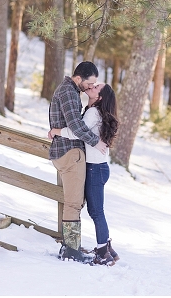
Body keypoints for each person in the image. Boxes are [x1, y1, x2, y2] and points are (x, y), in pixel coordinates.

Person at [51, 83, 120, 266]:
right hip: (98, 168)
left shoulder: (92, 113)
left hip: (95, 169)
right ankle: (106, 249)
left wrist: (55, 132)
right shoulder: (93, 111)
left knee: (96, 212)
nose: (92, 86)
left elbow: (76, 132)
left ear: (100, 97)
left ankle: (103, 252)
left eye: (97, 87)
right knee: (96, 211)